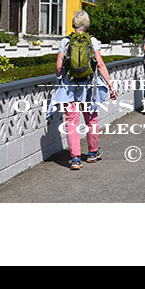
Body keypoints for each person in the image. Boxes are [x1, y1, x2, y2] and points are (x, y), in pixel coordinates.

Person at [52, 10, 118, 170]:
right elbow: (100, 64)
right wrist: (110, 84)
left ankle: (75, 159)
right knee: (91, 119)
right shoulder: (92, 41)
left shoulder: (65, 41)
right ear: (87, 25)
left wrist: (62, 77)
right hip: (89, 87)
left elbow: (59, 66)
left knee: (71, 122)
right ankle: (93, 153)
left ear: (73, 24)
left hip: (69, 88)